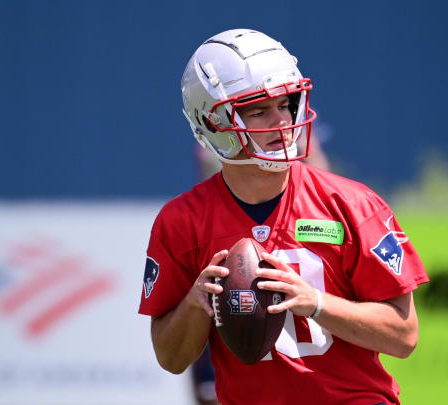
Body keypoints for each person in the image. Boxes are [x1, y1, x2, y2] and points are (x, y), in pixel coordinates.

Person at [138, 29, 428, 405]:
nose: (279, 120)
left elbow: (404, 336)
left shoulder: (352, 204)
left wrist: (316, 303)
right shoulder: (182, 221)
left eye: (286, 103)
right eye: (258, 110)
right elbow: (170, 358)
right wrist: (196, 302)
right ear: (214, 122)